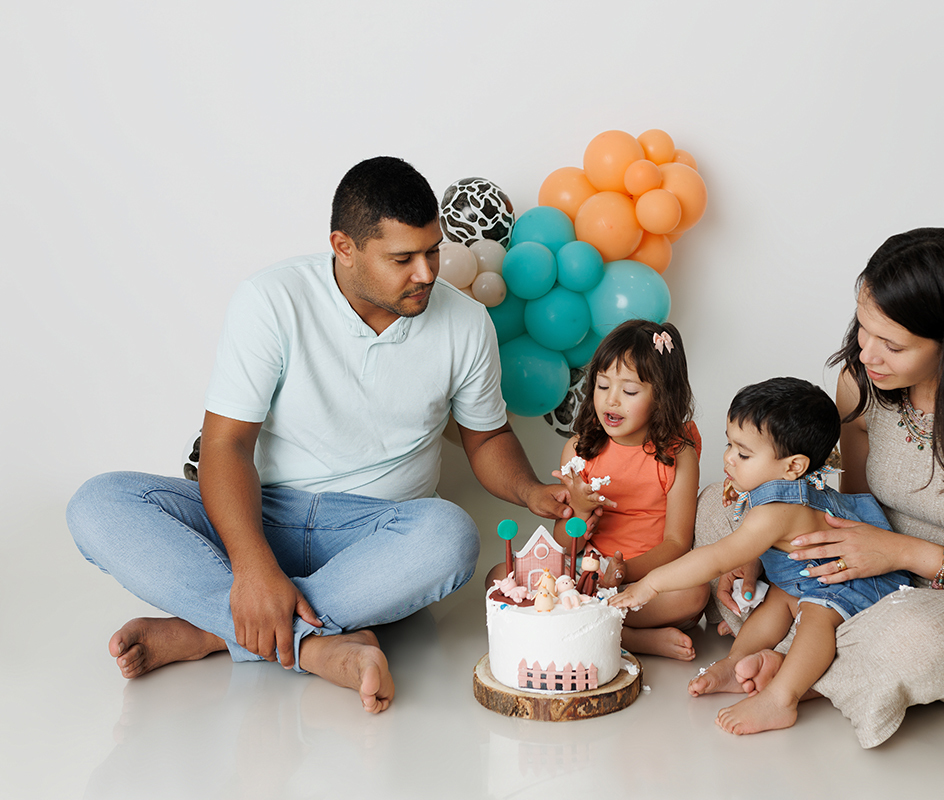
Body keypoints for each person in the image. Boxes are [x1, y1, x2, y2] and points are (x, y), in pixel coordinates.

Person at [66, 156, 571, 713]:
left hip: (376, 533)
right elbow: (226, 445)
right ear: (344, 246)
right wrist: (254, 566)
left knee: (451, 537)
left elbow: (486, 438)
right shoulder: (272, 301)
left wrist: (530, 492)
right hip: (261, 513)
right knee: (100, 503)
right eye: (403, 259)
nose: (427, 273)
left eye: (432, 250)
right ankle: (313, 648)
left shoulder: (466, 321)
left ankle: (208, 633)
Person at [694, 228, 944, 748]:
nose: (867, 354)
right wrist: (754, 547)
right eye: (863, 328)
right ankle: (809, 663)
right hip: (876, 573)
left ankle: (792, 668)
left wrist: (904, 552)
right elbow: (847, 507)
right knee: (721, 507)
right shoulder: (861, 383)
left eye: (893, 344)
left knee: (916, 641)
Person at [611, 377, 912, 733]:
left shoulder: (776, 511)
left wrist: (651, 584)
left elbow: (716, 558)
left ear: (793, 467)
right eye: (729, 444)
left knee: (817, 613)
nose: (728, 458)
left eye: (743, 453)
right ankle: (737, 662)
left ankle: (782, 698)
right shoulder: (774, 491)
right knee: (778, 604)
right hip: (805, 577)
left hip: (853, 581)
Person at [485, 319, 708, 660]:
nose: (612, 401)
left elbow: (677, 543)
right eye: (603, 386)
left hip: (641, 577)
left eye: (629, 391)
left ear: (662, 397)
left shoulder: (678, 454)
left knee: (693, 594)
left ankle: (585, 623)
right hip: (580, 573)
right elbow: (563, 544)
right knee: (498, 577)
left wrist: (623, 573)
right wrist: (579, 510)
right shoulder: (579, 450)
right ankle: (627, 637)